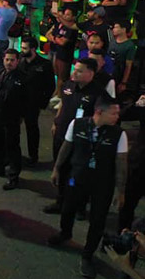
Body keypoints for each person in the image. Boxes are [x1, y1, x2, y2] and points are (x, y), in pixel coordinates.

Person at [47, 95, 128, 278]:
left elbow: (121, 164)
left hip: (102, 183)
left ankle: (87, 254)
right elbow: (66, 148)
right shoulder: (77, 124)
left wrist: (120, 191)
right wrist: (57, 169)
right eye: (113, 113)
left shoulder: (118, 134)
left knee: (98, 220)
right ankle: (65, 233)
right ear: (99, 112)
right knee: (67, 208)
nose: (117, 116)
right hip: (76, 178)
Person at [44, 59, 105, 215]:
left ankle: (79, 206)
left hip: (81, 139)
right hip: (62, 133)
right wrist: (56, 122)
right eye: (74, 69)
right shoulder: (68, 86)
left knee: (78, 173)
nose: (74, 73)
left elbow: (99, 118)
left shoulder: (98, 93)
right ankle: (61, 201)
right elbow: (63, 105)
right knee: (61, 169)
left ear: (90, 73)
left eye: (79, 71)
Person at [0, 49, 26, 190]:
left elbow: (25, 101)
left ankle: (13, 176)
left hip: (11, 118)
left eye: (12, 60)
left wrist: (20, 116)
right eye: (7, 59)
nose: (9, 63)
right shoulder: (0, 73)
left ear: (17, 61)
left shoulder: (22, 78)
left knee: (12, 148)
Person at [18, 37, 55, 166]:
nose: (22, 50)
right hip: (19, 101)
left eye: (25, 48)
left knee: (32, 129)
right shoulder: (20, 63)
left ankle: (33, 156)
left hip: (33, 103)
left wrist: (42, 103)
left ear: (33, 49)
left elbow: (50, 86)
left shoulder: (44, 65)